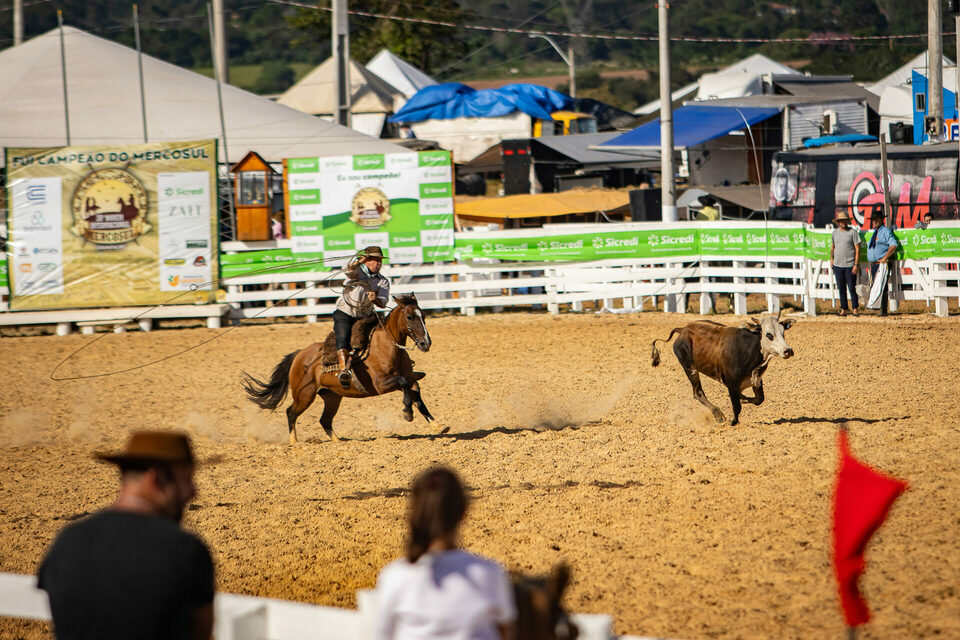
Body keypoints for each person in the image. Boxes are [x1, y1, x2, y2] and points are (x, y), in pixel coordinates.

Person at [37, 431, 214, 640]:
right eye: (187, 480)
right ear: (155, 478)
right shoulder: (185, 550)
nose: (193, 492)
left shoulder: (67, 541)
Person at [374, 467, 517, 640]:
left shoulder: (394, 576)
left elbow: (382, 634)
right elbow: (506, 631)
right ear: (463, 512)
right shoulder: (489, 573)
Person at [333, 245, 389, 387]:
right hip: (345, 312)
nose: (378, 263)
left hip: (365, 315)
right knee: (343, 335)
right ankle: (344, 368)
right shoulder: (357, 272)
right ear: (366, 261)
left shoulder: (382, 281)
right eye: (375, 260)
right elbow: (347, 269)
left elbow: (383, 303)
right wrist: (358, 262)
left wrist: (375, 299)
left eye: (380, 260)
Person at [866, 205, 899, 316]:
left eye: (876, 220)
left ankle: (883, 310)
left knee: (882, 285)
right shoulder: (876, 232)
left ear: (881, 220)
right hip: (875, 263)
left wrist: (885, 258)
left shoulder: (885, 231)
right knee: (877, 284)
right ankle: (878, 307)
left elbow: (893, 245)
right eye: (873, 220)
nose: (874, 222)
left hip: (882, 263)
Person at [830, 210, 861, 316]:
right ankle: (843, 308)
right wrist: (831, 259)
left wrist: (856, 264)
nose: (843, 222)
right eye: (841, 220)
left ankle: (855, 308)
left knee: (852, 287)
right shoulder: (835, 233)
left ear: (847, 221)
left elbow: (857, 249)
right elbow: (833, 247)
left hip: (850, 264)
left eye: (844, 220)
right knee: (841, 288)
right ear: (838, 222)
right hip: (838, 265)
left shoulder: (853, 232)